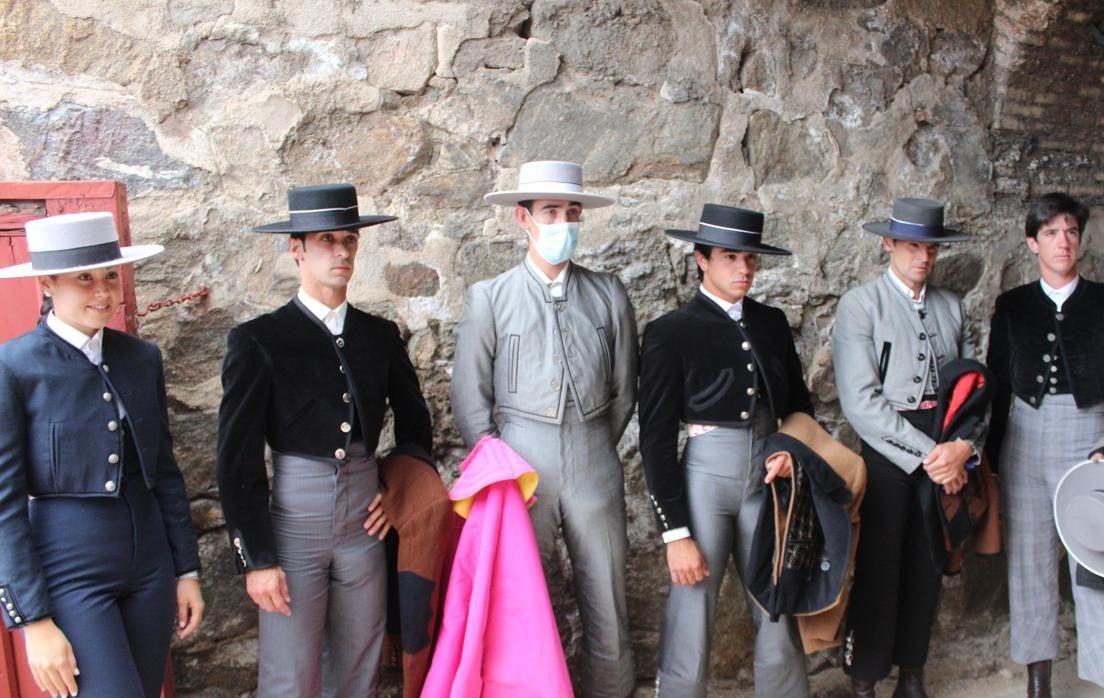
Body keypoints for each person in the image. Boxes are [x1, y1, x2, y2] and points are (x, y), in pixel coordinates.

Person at [217, 183, 434, 697]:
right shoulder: (259, 340)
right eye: (327, 240)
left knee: (361, 664)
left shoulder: (379, 335)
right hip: (295, 519)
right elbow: (237, 460)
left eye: (350, 241)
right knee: (290, 672)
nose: (341, 252)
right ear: (297, 249)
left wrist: (397, 490)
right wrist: (258, 560)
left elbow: (415, 424)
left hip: (364, 519)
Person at [451, 160, 637, 696]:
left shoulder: (608, 294)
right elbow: (471, 401)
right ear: (523, 219)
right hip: (519, 464)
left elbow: (625, 389)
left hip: (594, 456)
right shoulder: (491, 296)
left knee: (607, 595)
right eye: (551, 212)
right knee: (524, 604)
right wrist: (501, 464)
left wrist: (594, 439)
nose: (563, 223)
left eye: (572, 213)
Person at [0, 211, 203, 697]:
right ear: (47, 283)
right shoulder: (13, 366)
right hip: (71, 572)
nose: (103, 292)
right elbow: (4, 504)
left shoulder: (141, 357)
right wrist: (33, 620)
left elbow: (165, 473)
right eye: (84, 278)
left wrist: (185, 570)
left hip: (151, 566)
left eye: (111, 275)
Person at [985, 192, 1104, 698]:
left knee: (1098, 568)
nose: (1064, 242)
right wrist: (991, 465)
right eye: (1053, 233)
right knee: (1029, 567)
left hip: (1089, 440)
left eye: (1071, 232)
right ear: (1033, 242)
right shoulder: (1012, 306)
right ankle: (1039, 684)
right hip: (1023, 441)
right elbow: (997, 389)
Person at [639, 203, 811, 698]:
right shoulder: (669, 332)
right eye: (731, 258)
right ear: (701, 259)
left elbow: (799, 403)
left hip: (767, 474)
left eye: (751, 259)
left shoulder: (772, 323)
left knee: (776, 599)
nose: (744, 269)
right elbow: (654, 440)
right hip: (704, 482)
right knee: (691, 606)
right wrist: (675, 533)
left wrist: (789, 448)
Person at [831, 197, 980, 698]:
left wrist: (961, 448)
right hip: (887, 450)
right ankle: (866, 679)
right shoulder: (861, 304)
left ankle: (913, 675)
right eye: (913, 244)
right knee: (880, 566)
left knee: (928, 562)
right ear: (889, 243)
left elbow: (973, 388)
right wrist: (927, 456)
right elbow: (861, 402)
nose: (924, 256)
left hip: (944, 446)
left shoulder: (951, 306)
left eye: (931, 246)